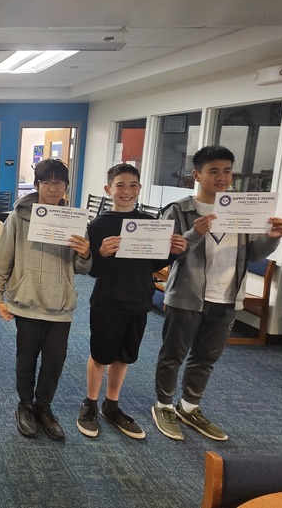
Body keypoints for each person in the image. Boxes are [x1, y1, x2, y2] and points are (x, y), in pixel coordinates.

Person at [151, 145, 282, 442]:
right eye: (213, 171)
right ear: (197, 175)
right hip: (187, 295)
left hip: (228, 296)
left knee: (206, 357)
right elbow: (166, 254)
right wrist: (195, 234)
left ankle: (189, 407)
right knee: (173, 354)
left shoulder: (242, 209)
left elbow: (253, 253)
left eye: (227, 171)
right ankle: (163, 405)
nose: (222, 177)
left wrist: (271, 239)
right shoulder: (179, 210)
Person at [78, 164, 186, 440]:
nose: (127, 191)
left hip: (139, 299)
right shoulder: (98, 225)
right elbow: (93, 270)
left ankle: (111, 405)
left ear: (139, 188)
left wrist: (173, 252)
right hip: (107, 300)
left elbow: (153, 263)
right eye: (120, 185)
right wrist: (101, 253)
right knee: (100, 355)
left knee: (124, 356)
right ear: (108, 189)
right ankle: (90, 404)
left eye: (133, 185)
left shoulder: (149, 223)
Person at [0, 158, 91, 441]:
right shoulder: (18, 217)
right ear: (37, 185)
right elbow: (3, 258)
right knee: (26, 358)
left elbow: (81, 268)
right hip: (27, 300)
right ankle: (25, 405)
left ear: (66, 186)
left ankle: (43, 407)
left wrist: (85, 253)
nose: (53, 188)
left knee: (54, 362)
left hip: (60, 304)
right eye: (47, 182)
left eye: (59, 182)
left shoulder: (74, 221)